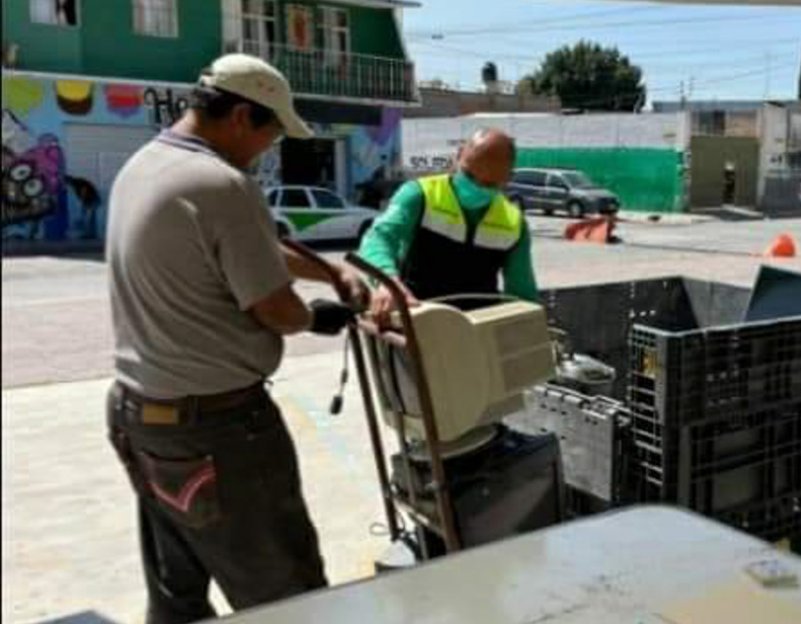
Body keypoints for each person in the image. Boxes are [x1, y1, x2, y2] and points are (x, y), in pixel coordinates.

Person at [105, 54, 367, 624]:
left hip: (139, 415)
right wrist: (311, 317)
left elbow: (240, 249)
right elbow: (274, 306)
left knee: (179, 592)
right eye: (271, 135)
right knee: (289, 595)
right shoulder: (222, 183)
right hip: (217, 431)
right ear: (243, 116)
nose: (268, 149)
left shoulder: (147, 165)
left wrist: (332, 273)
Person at [358, 128, 538, 319]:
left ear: (507, 179)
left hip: (478, 329)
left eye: (488, 184)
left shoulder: (514, 224)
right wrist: (388, 283)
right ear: (459, 155)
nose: (476, 186)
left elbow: (521, 294)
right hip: (418, 320)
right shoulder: (420, 195)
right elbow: (379, 238)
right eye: (469, 175)